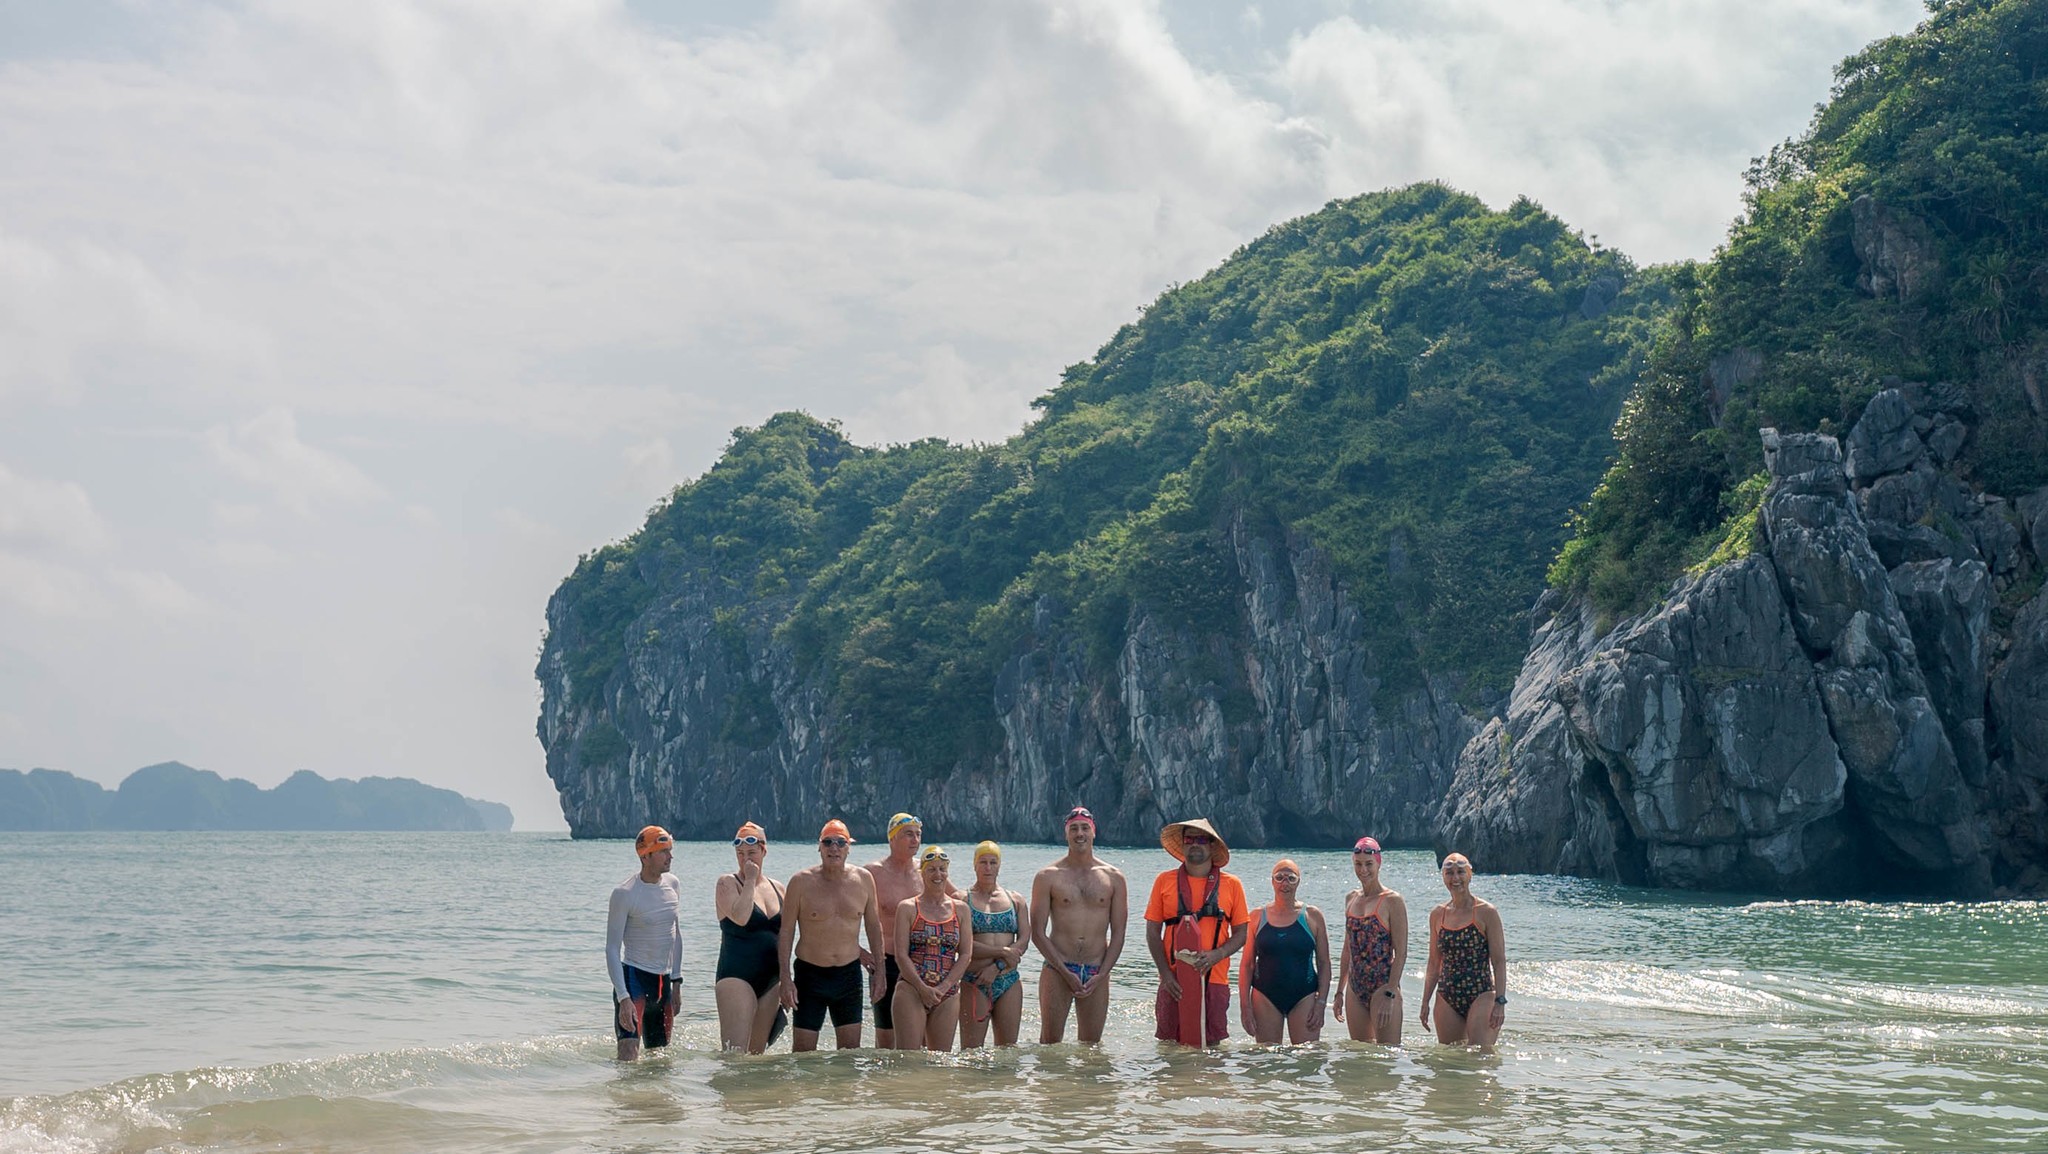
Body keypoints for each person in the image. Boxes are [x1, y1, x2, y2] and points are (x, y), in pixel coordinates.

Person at [778, 819, 887, 1051]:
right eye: (828, 842)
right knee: (803, 1054)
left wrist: (881, 972)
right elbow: (786, 932)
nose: (834, 848)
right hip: (809, 975)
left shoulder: (864, 879)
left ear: (849, 847)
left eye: (840, 842)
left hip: (848, 976)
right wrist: (785, 979)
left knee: (849, 1054)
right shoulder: (800, 882)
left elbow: (874, 927)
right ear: (819, 847)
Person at [1143, 817, 1249, 1046]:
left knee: (1212, 1049)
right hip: (1173, 980)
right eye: (1189, 839)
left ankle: (1206, 1084)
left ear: (1212, 845)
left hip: (1215, 979)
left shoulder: (1232, 884)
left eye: (1201, 839)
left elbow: (1242, 933)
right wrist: (1165, 975)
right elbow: (1152, 932)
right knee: (1169, 1047)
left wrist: (1216, 955)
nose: (1195, 844)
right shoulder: (1164, 881)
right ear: (1182, 845)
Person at [1029, 805, 1129, 1044]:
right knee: (1050, 1046)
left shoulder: (1114, 878)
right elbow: (1037, 933)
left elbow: (1119, 934)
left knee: (1091, 1048)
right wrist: (1064, 971)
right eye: (1073, 828)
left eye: (1085, 828)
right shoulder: (1048, 876)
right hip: (1058, 968)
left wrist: (1102, 973)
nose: (1079, 833)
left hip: (1097, 969)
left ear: (1094, 832)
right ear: (1066, 834)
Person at [607, 825, 684, 1061]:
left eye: (670, 850)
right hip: (634, 981)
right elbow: (611, 948)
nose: (670, 856)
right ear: (646, 855)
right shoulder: (625, 893)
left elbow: (676, 934)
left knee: (660, 1060)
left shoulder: (672, 885)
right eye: (663, 851)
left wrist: (677, 982)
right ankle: (623, 1097)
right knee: (628, 1055)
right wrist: (623, 997)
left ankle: (654, 1100)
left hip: (663, 984)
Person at [1419, 852, 1509, 1051]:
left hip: (1481, 992)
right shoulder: (1437, 914)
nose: (1455, 878)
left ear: (1470, 874)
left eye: (1460, 872)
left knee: (1480, 1058)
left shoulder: (1487, 912)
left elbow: (1499, 961)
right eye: (1449, 873)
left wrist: (1500, 1001)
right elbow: (1434, 963)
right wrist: (1425, 1002)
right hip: (1447, 994)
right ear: (1443, 877)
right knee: (1449, 1060)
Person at [890, 845, 976, 1051]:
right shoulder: (908, 907)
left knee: (940, 1062)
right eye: (931, 869)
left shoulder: (961, 909)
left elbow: (965, 955)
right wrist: (922, 988)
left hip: (946, 992)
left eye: (942, 869)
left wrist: (943, 988)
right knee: (908, 1060)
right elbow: (901, 955)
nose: (938, 875)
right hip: (912, 988)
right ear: (922, 873)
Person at [713, 821, 788, 1053]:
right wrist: (749, 880)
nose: (746, 859)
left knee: (757, 1057)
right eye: (740, 853)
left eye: (751, 853)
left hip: (771, 980)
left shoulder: (778, 888)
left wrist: (787, 977)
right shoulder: (727, 883)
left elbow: (787, 935)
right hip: (736, 976)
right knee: (734, 1054)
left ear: (764, 851)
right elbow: (742, 917)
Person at [1238, 857, 1329, 1044]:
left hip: (1304, 995)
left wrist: (1321, 1004)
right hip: (1265, 996)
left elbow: (1324, 963)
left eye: (1291, 878)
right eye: (1279, 877)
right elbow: (1247, 965)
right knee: (1267, 1061)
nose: (1285, 883)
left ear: (1298, 882)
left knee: (1307, 1060)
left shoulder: (1313, 916)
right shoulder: (1256, 917)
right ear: (1272, 881)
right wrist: (1245, 1006)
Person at [864, 812, 929, 1049]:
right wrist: (860, 953)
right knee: (886, 1040)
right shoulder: (872, 872)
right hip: (886, 962)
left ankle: (917, 1085)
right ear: (892, 838)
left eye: (918, 835)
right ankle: (886, 1087)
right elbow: (843, 915)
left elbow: (956, 903)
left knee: (922, 1039)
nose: (915, 840)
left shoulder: (926, 870)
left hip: (922, 962)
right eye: (908, 835)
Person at [1334, 835, 1407, 1044]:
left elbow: (1401, 952)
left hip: (1383, 986)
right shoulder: (1351, 898)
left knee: (1386, 1056)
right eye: (1358, 864)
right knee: (1360, 1057)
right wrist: (1339, 991)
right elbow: (1348, 949)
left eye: (1368, 864)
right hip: (1355, 989)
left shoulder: (1392, 900)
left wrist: (1391, 992)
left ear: (1379, 863)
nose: (1363, 870)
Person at [960, 841, 1029, 1048]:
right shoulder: (962, 900)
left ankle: (1004, 1083)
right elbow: (963, 944)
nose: (988, 868)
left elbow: (1024, 939)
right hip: (975, 980)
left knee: (1007, 1052)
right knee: (971, 1052)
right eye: (983, 862)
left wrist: (997, 966)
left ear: (999, 866)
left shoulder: (1015, 900)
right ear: (974, 865)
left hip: (1008, 980)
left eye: (993, 862)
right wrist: (1001, 952)